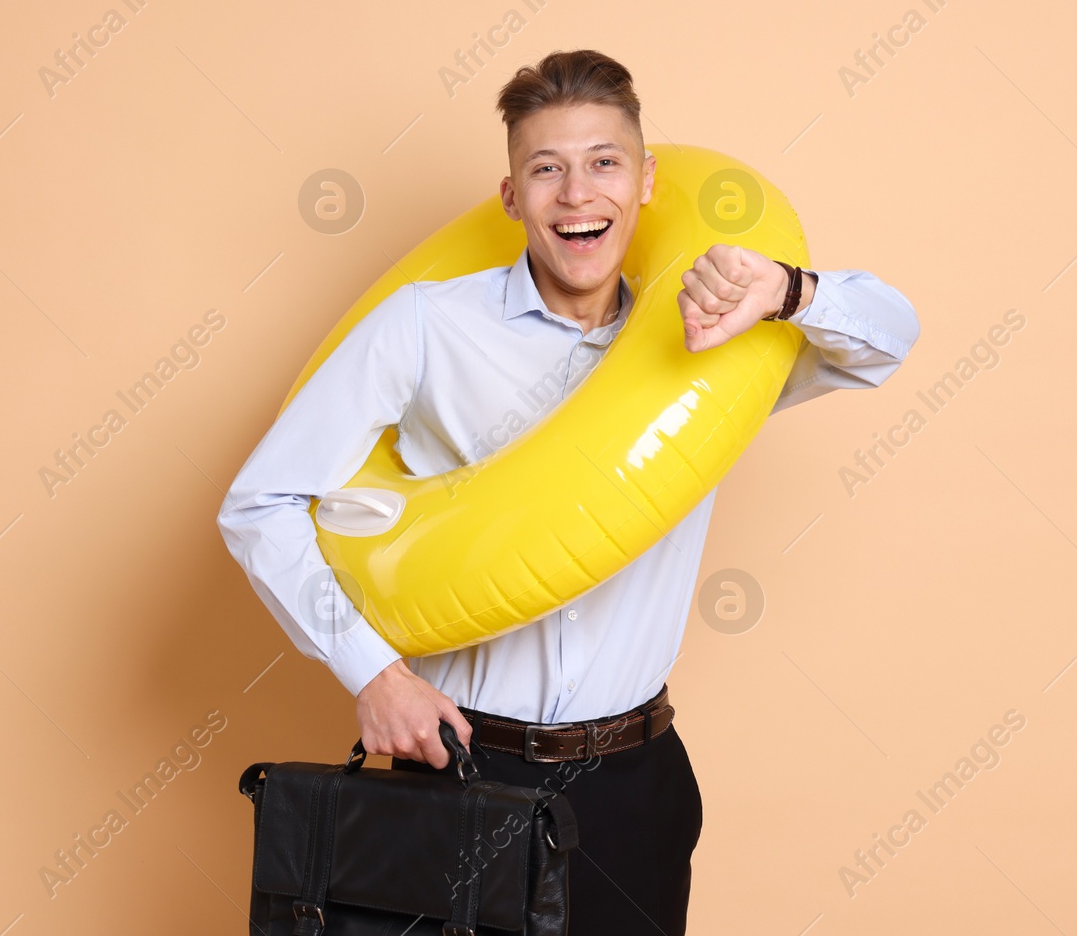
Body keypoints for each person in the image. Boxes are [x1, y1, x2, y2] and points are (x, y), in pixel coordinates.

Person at [217, 49, 920, 934]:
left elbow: (889, 338)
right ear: (511, 196)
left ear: (648, 180)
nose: (577, 194)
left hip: (636, 777)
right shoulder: (430, 325)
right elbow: (259, 503)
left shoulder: (710, 339)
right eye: (546, 169)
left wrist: (785, 289)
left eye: (603, 162)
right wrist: (374, 673)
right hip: (468, 770)